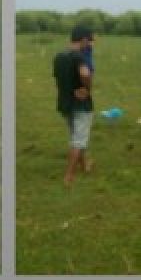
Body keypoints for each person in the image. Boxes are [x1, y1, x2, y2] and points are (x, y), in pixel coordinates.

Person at [52, 24, 95, 186]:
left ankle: (84, 165)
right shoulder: (79, 57)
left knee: (76, 136)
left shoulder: (59, 56)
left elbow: (57, 80)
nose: (89, 44)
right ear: (83, 40)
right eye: (89, 41)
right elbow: (85, 74)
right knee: (79, 139)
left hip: (65, 103)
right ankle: (69, 176)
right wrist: (87, 88)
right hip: (81, 105)